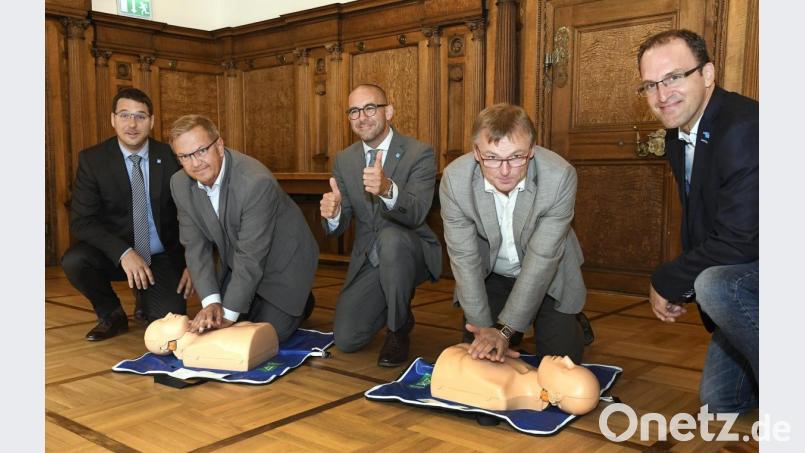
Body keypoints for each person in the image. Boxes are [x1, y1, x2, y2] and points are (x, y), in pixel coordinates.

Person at [637, 29, 758, 413]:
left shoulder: (743, 127)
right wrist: (684, 289)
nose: (661, 95)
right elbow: (703, 222)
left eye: (673, 78)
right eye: (650, 85)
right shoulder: (679, 133)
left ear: (707, 74)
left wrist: (670, 280)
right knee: (721, 402)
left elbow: (741, 239)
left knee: (715, 283)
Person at [440, 103, 589, 365]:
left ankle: (572, 322)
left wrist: (505, 331)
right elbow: (464, 259)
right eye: (492, 157)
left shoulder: (559, 176)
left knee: (559, 369)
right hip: (492, 276)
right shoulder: (455, 180)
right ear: (476, 152)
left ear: (532, 150)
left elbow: (542, 261)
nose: (505, 170)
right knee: (481, 360)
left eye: (516, 156)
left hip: (549, 275)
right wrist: (486, 330)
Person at [319, 84, 442, 367]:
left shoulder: (418, 152)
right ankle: (397, 306)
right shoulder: (345, 159)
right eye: (353, 111)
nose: (362, 117)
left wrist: (388, 189)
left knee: (391, 239)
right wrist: (334, 213)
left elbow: (417, 213)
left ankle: (397, 330)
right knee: (347, 338)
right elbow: (340, 225)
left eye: (370, 108)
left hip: (411, 249)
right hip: (370, 256)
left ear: (389, 111)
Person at [168, 114, 318, 342]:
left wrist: (227, 315)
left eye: (201, 151)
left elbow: (251, 255)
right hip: (238, 260)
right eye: (185, 156)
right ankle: (256, 300)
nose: (196, 163)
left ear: (219, 145)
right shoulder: (179, 184)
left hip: (284, 260)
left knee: (262, 336)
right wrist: (211, 303)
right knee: (223, 322)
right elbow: (195, 247)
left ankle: (301, 300)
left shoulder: (255, 182)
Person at [61, 88, 192, 341]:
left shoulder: (170, 156)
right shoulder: (93, 160)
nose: (132, 124)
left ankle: (146, 297)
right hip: (117, 255)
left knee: (168, 325)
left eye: (140, 116)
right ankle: (111, 314)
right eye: (124, 115)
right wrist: (124, 252)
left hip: (161, 254)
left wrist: (193, 261)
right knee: (75, 260)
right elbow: (82, 221)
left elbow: (192, 211)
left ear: (152, 121)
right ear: (113, 119)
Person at [431, 344, 599, 415]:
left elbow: (454, 366)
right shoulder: (532, 373)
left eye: (567, 370)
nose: (567, 359)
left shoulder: (501, 392)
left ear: (554, 394)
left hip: (449, 359)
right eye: (573, 364)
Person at [144, 313, 279, 372]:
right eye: (163, 321)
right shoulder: (193, 352)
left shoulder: (206, 328)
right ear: (165, 345)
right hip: (252, 341)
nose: (168, 314)